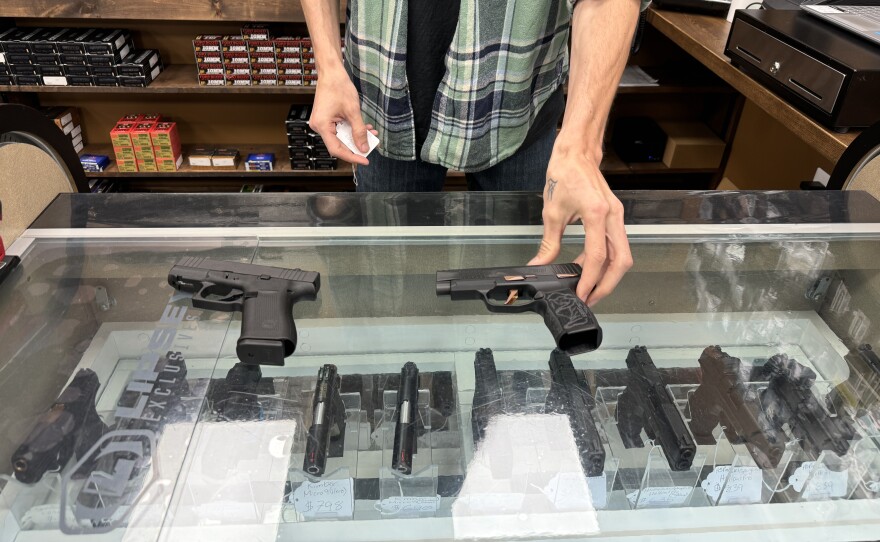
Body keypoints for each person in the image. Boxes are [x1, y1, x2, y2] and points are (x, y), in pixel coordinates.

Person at [302, 0, 649, 306]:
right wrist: (329, 66)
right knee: (388, 282)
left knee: (520, 287)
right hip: (381, 109)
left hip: (517, 110)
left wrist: (581, 147)